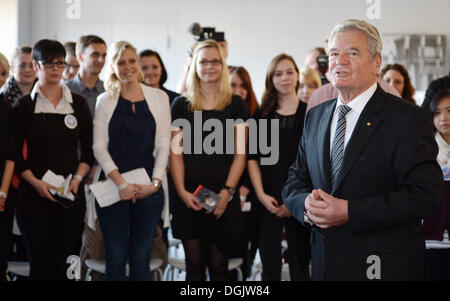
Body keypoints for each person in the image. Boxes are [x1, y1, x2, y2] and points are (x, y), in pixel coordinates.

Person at [282, 19, 442, 281]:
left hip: (383, 264)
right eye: (334, 54)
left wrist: (349, 211)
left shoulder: (407, 118)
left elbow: (425, 196)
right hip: (325, 263)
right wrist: (305, 205)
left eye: (352, 53)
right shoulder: (315, 116)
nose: (339, 61)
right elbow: (294, 181)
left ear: (376, 63)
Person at [12, 39, 94, 280]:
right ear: (37, 66)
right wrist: (36, 183)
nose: (56, 69)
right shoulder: (23, 107)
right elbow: (15, 154)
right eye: (49, 64)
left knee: (67, 266)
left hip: (69, 196)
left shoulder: (77, 104)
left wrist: (78, 179)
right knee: (40, 266)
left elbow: (88, 149)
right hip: (33, 198)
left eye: (60, 63)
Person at [170, 40, 249, 281]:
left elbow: (240, 155)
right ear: (194, 65)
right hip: (189, 197)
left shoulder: (236, 104)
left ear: (223, 65)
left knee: (219, 268)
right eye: (203, 61)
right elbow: (176, 154)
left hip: (223, 198)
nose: (209, 66)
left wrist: (227, 192)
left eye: (215, 60)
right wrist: (183, 193)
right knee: (194, 268)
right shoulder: (181, 105)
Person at [93, 41, 171, 281]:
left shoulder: (159, 97)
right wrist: (121, 184)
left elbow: (163, 145)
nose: (127, 67)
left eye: (131, 61)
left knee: (141, 257)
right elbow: (98, 146)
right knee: (115, 258)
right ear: (113, 67)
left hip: (149, 188)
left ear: (137, 63)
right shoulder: (105, 100)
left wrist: (155, 184)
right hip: (113, 187)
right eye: (120, 62)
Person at [248, 54, 310, 281]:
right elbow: (252, 158)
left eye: (289, 72)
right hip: (267, 201)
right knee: (270, 268)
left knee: (301, 267)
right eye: (278, 73)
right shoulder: (261, 116)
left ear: (297, 76)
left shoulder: (310, 114)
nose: (284, 78)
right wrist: (261, 195)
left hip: (301, 200)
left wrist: (295, 202)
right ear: (270, 79)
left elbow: (313, 163)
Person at [228, 65, 260, 279]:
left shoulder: (257, 116)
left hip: (248, 195)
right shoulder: (216, 115)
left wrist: (243, 191)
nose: (238, 90)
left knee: (243, 255)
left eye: (243, 86)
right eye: (232, 85)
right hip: (224, 193)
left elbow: (256, 158)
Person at [423, 89, 450, 280]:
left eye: (449, 111)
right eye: (437, 113)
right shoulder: (424, 150)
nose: (444, 118)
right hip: (432, 241)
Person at [0, 52, 15, 281]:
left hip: (2, 189)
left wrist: (3, 190)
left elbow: (11, 155)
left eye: (3, 73)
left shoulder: (7, 109)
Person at [66, 35, 107, 116]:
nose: (101, 60)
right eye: (95, 54)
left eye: (104, 55)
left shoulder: (108, 91)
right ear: (80, 57)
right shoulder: (64, 90)